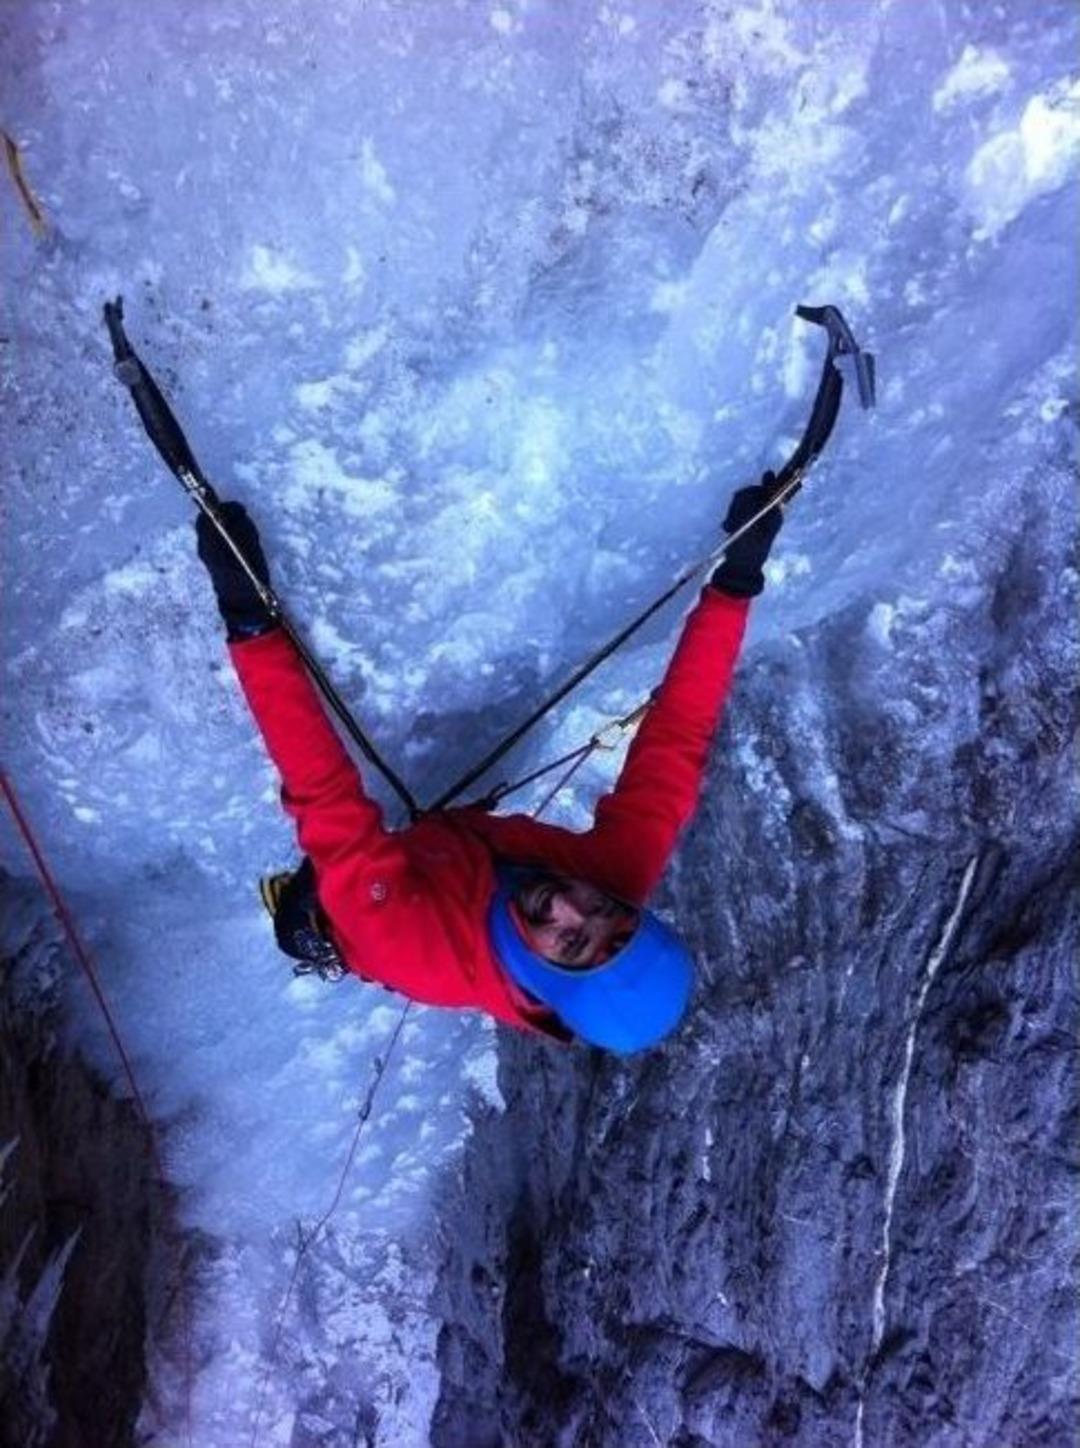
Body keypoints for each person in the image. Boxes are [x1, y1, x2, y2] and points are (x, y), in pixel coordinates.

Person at [196, 482, 782, 1054]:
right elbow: (678, 737)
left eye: (573, 941)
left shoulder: (417, 947)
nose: (569, 905)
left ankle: (315, 935)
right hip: (454, 849)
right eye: (605, 911)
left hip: (375, 912)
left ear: (555, 982)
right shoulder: (611, 879)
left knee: (318, 901)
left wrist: (250, 621)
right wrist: (736, 582)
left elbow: (324, 792)